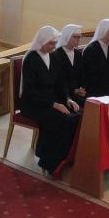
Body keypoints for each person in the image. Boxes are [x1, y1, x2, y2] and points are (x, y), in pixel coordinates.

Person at [19, 26, 80, 174]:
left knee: (76, 116)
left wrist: (67, 98)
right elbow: (31, 90)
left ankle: (63, 158)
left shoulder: (53, 57)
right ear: (41, 42)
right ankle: (49, 161)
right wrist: (53, 104)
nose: (54, 46)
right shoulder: (31, 59)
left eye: (55, 43)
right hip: (33, 104)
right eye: (51, 43)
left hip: (51, 100)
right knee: (62, 120)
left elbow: (60, 82)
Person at [82, 18, 109, 97]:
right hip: (95, 91)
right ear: (103, 31)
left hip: (108, 89)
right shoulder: (91, 49)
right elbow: (91, 75)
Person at [53, 24, 86, 105]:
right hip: (61, 95)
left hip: (77, 94)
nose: (78, 39)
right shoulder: (56, 55)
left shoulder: (78, 54)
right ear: (66, 37)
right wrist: (73, 90)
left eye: (79, 37)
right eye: (75, 37)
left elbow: (82, 74)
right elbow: (58, 79)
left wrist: (82, 89)